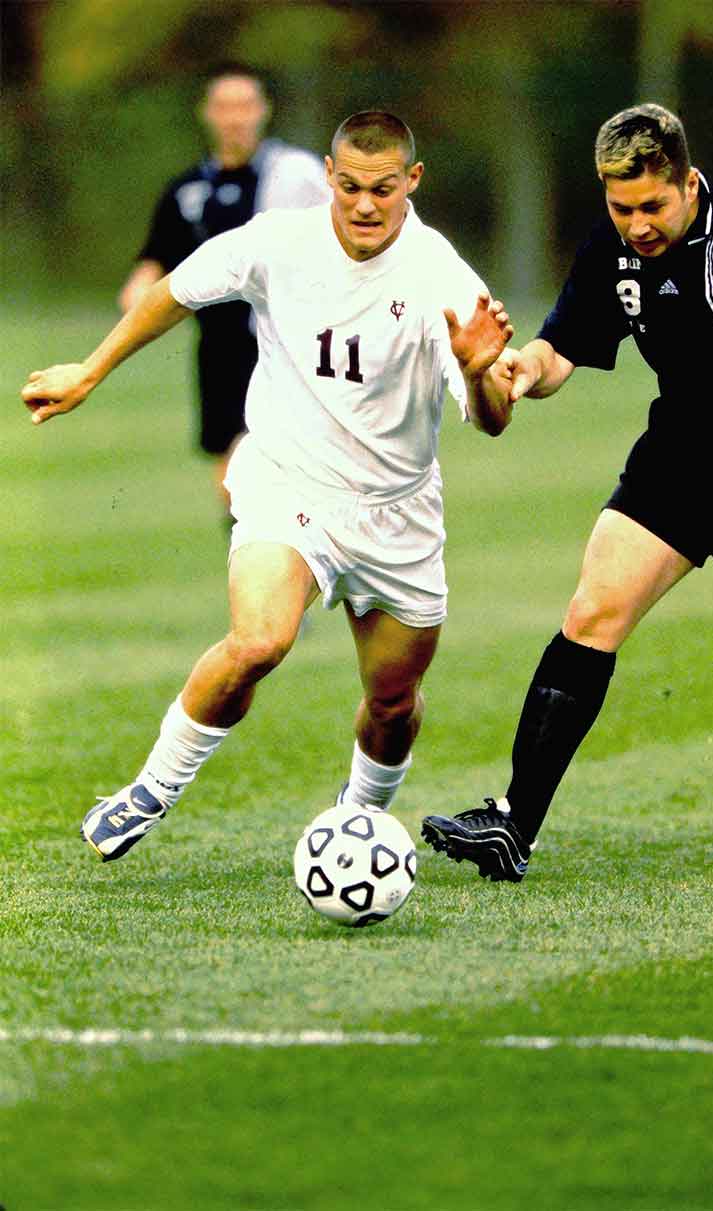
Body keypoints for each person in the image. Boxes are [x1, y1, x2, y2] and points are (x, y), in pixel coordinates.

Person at [22, 111, 514, 863]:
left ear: (411, 182)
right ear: (328, 175)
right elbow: (175, 292)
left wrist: (481, 373)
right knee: (259, 641)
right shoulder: (280, 241)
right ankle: (150, 788)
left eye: (383, 189)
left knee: (391, 704)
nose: (364, 205)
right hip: (289, 480)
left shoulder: (441, 278)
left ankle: (357, 825)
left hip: (397, 512)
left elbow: (492, 420)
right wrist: (89, 370)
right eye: (349, 186)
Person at [422, 102, 713, 883]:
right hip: (682, 460)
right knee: (593, 610)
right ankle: (513, 825)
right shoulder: (616, 251)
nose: (638, 224)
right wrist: (518, 367)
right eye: (621, 207)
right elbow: (561, 348)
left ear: (689, 183)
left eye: (652, 205)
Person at [118, 63, 329, 508]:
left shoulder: (294, 179)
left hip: (286, 345)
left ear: (263, 111)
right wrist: (139, 295)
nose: (236, 117)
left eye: (245, 106)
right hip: (219, 349)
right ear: (207, 113)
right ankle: (251, 561)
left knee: (277, 463)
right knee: (231, 477)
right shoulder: (187, 191)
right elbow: (155, 259)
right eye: (225, 107)